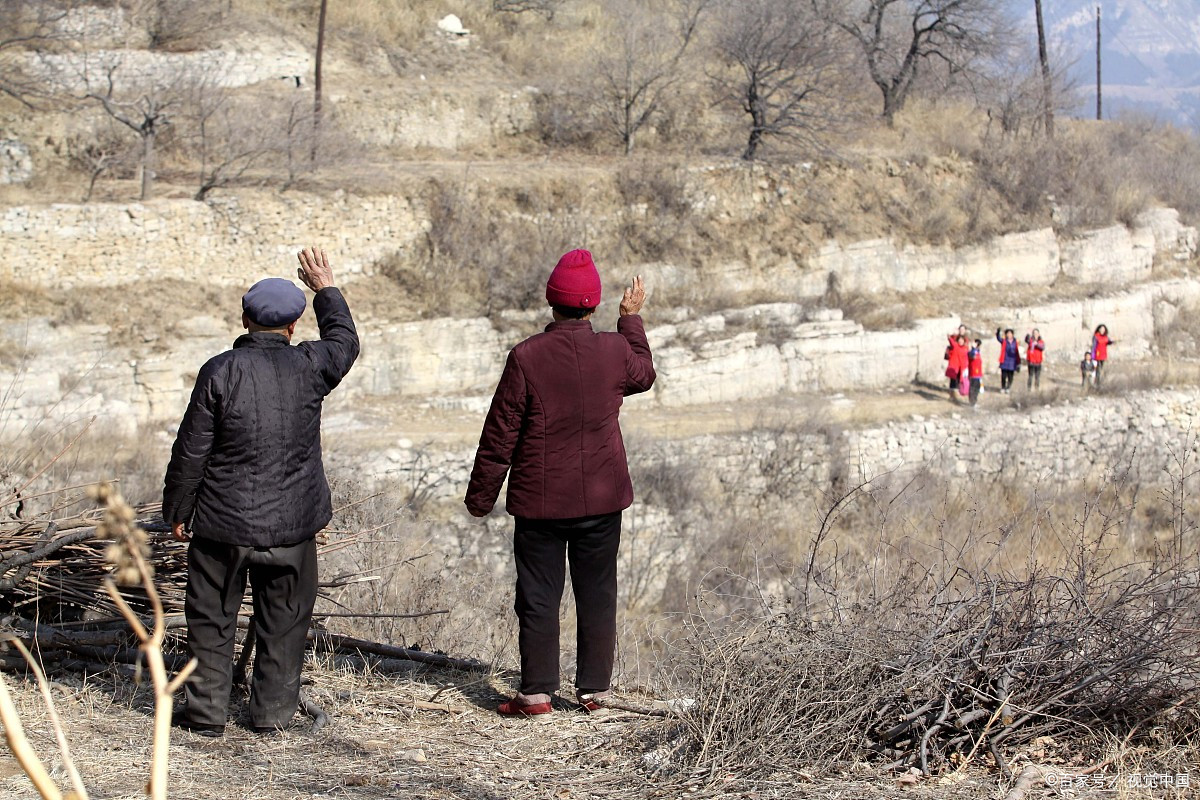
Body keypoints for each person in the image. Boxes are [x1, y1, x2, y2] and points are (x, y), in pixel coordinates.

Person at [163, 247, 359, 736]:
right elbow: (345, 341)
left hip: (222, 526)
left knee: (210, 620)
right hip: (292, 527)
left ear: (244, 318)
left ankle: (206, 715)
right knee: (286, 623)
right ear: (293, 327)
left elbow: (191, 451)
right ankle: (271, 715)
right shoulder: (312, 365)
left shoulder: (220, 371)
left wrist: (178, 508)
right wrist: (326, 290)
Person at [464, 249, 656, 716]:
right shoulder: (613, 350)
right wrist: (631, 320)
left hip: (541, 505)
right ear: (593, 305)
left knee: (538, 595)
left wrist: (481, 497)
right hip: (602, 500)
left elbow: (501, 432)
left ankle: (536, 693)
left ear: (552, 302)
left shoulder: (527, 356)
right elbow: (644, 375)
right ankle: (594, 691)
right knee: (598, 592)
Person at [995, 327, 1021, 394]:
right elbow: (998, 338)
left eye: (1010, 333)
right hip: (1005, 360)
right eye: (1008, 333)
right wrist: (998, 332)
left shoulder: (1016, 342)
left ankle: (1008, 387)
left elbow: (1017, 352)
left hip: (1013, 361)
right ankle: (1003, 387)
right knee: (1003, 375)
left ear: (1012, 334)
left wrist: (1018, 362)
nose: (1009, 335)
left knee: (1010, 376)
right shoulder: (1004, 341)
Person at [945, 331, 969, 402]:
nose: (961, 341)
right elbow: (950, 340)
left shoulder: (965, 348)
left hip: (961, 368)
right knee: (953, 382)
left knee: (959, 382)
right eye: (959, 340)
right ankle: (952, 396)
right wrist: (951, 335)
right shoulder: (955, 346)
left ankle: (956, 396)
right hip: (954, 367)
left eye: (962, 340)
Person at [968, 338, 984, 408]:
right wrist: (973, 348)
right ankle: (972, 402)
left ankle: (974, 402)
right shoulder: (972, 352)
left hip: (978, 374)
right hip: (973, 374)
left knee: (977, 389)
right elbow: (972, 355)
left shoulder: (978, 352)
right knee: (973, 388)